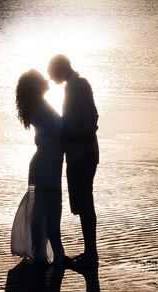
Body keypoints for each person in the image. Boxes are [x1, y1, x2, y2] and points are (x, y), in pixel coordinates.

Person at [11, 69, 68, 265]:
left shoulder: (40, 105)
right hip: (45, 165)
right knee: (50, 211)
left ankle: (42, 253)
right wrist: (84, 133)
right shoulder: (41, 107)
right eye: (41, 78)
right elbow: (55, 134)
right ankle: (55, 255)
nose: (46, 79)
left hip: (46, 163)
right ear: (35, 85)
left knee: (47, 210)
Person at [48, 54, 99, 269]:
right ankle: (89, 252)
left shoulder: (78, 85)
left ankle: (91, 254)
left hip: (83, 154)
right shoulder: (73, 86)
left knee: (85, 203)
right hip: (78, 153)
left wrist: (73, 139)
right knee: (82, 203)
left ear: (60, 69)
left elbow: (91, 119)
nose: (51, 80)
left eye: (52, 74)